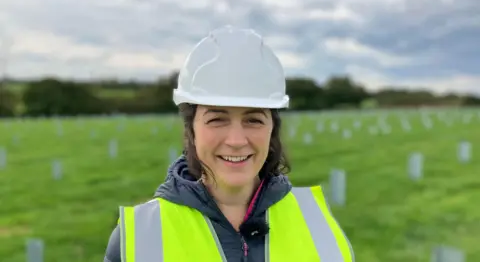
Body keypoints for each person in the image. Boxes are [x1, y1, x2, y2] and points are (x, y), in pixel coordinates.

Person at [104, 25, 355, 262]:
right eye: (217, 119)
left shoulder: (318, 225)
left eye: (253, 119)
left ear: (272, 129)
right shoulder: (139, 240)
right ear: (191, 129)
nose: (236, 141)